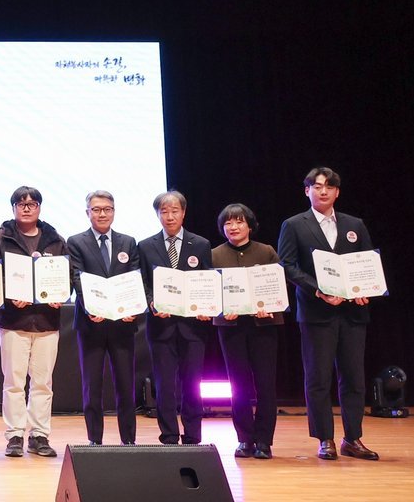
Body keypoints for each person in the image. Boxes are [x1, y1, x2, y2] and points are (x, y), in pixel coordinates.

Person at [277, 167, 379, 461]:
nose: (323, 191)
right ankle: (325, 439)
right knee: (318, 378)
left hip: (352, 313)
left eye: (329, 187)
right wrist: (318, 290)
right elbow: (287, 265)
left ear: (337, 192)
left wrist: (364, 288)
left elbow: (366, 261)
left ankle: (353, 438)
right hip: (316, 313)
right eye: (317, 186)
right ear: (307, 190)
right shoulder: (294, 225)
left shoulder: (354, 224)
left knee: (354, 378)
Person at [0, 186, 69, 458]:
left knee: (43, 382)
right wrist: (9, 296)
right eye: (21, 204)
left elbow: (66, 277)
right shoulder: (0, 238)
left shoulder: (55, 239)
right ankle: (14, 435)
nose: (26, 208)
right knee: (13, 381)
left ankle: (39, 435)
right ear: (13, 208)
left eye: (32, 204)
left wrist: (61, 295)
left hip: (47, 320)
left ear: (39, 208)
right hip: (13, 320)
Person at [137, 190, 213, 446]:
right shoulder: (145, 246)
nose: (169, 217)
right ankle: (169, 436)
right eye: (164, 212)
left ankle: (193, 436)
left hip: (193, 327)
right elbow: (143, 281)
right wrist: (151, 302)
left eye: (174, 211)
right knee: (164, 384)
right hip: (161, 325)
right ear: (157, 214)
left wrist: (207, 306)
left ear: (184, 213)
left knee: (192, 384)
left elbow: (207, 280)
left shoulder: (200, 244)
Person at [66, 190, 142, 446]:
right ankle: (94, 441)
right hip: (91, 324)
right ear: (87, 212)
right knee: (92, 386)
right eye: (96, 209)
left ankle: (128, 440)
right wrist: (91, 308)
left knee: (126, 384)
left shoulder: (128, 242)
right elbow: (77, 277)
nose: (102, 214)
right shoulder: (76, 242)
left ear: (114, 211)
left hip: (122, 324)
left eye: (107, 209)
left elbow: (134, 276)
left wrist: (131, 307)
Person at [212, 203, 282, 460]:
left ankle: (264, 440)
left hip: (263, 326)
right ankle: (244, 438)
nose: (233, 227)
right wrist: (221, 310)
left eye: (239, 221)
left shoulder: (266, 251)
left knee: (265, 384)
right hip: (231, 328)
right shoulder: (214, 255)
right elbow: (209, 292)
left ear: (250, 226)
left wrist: (269, 306)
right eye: (228, 223)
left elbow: (278, 287)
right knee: (238, 385)